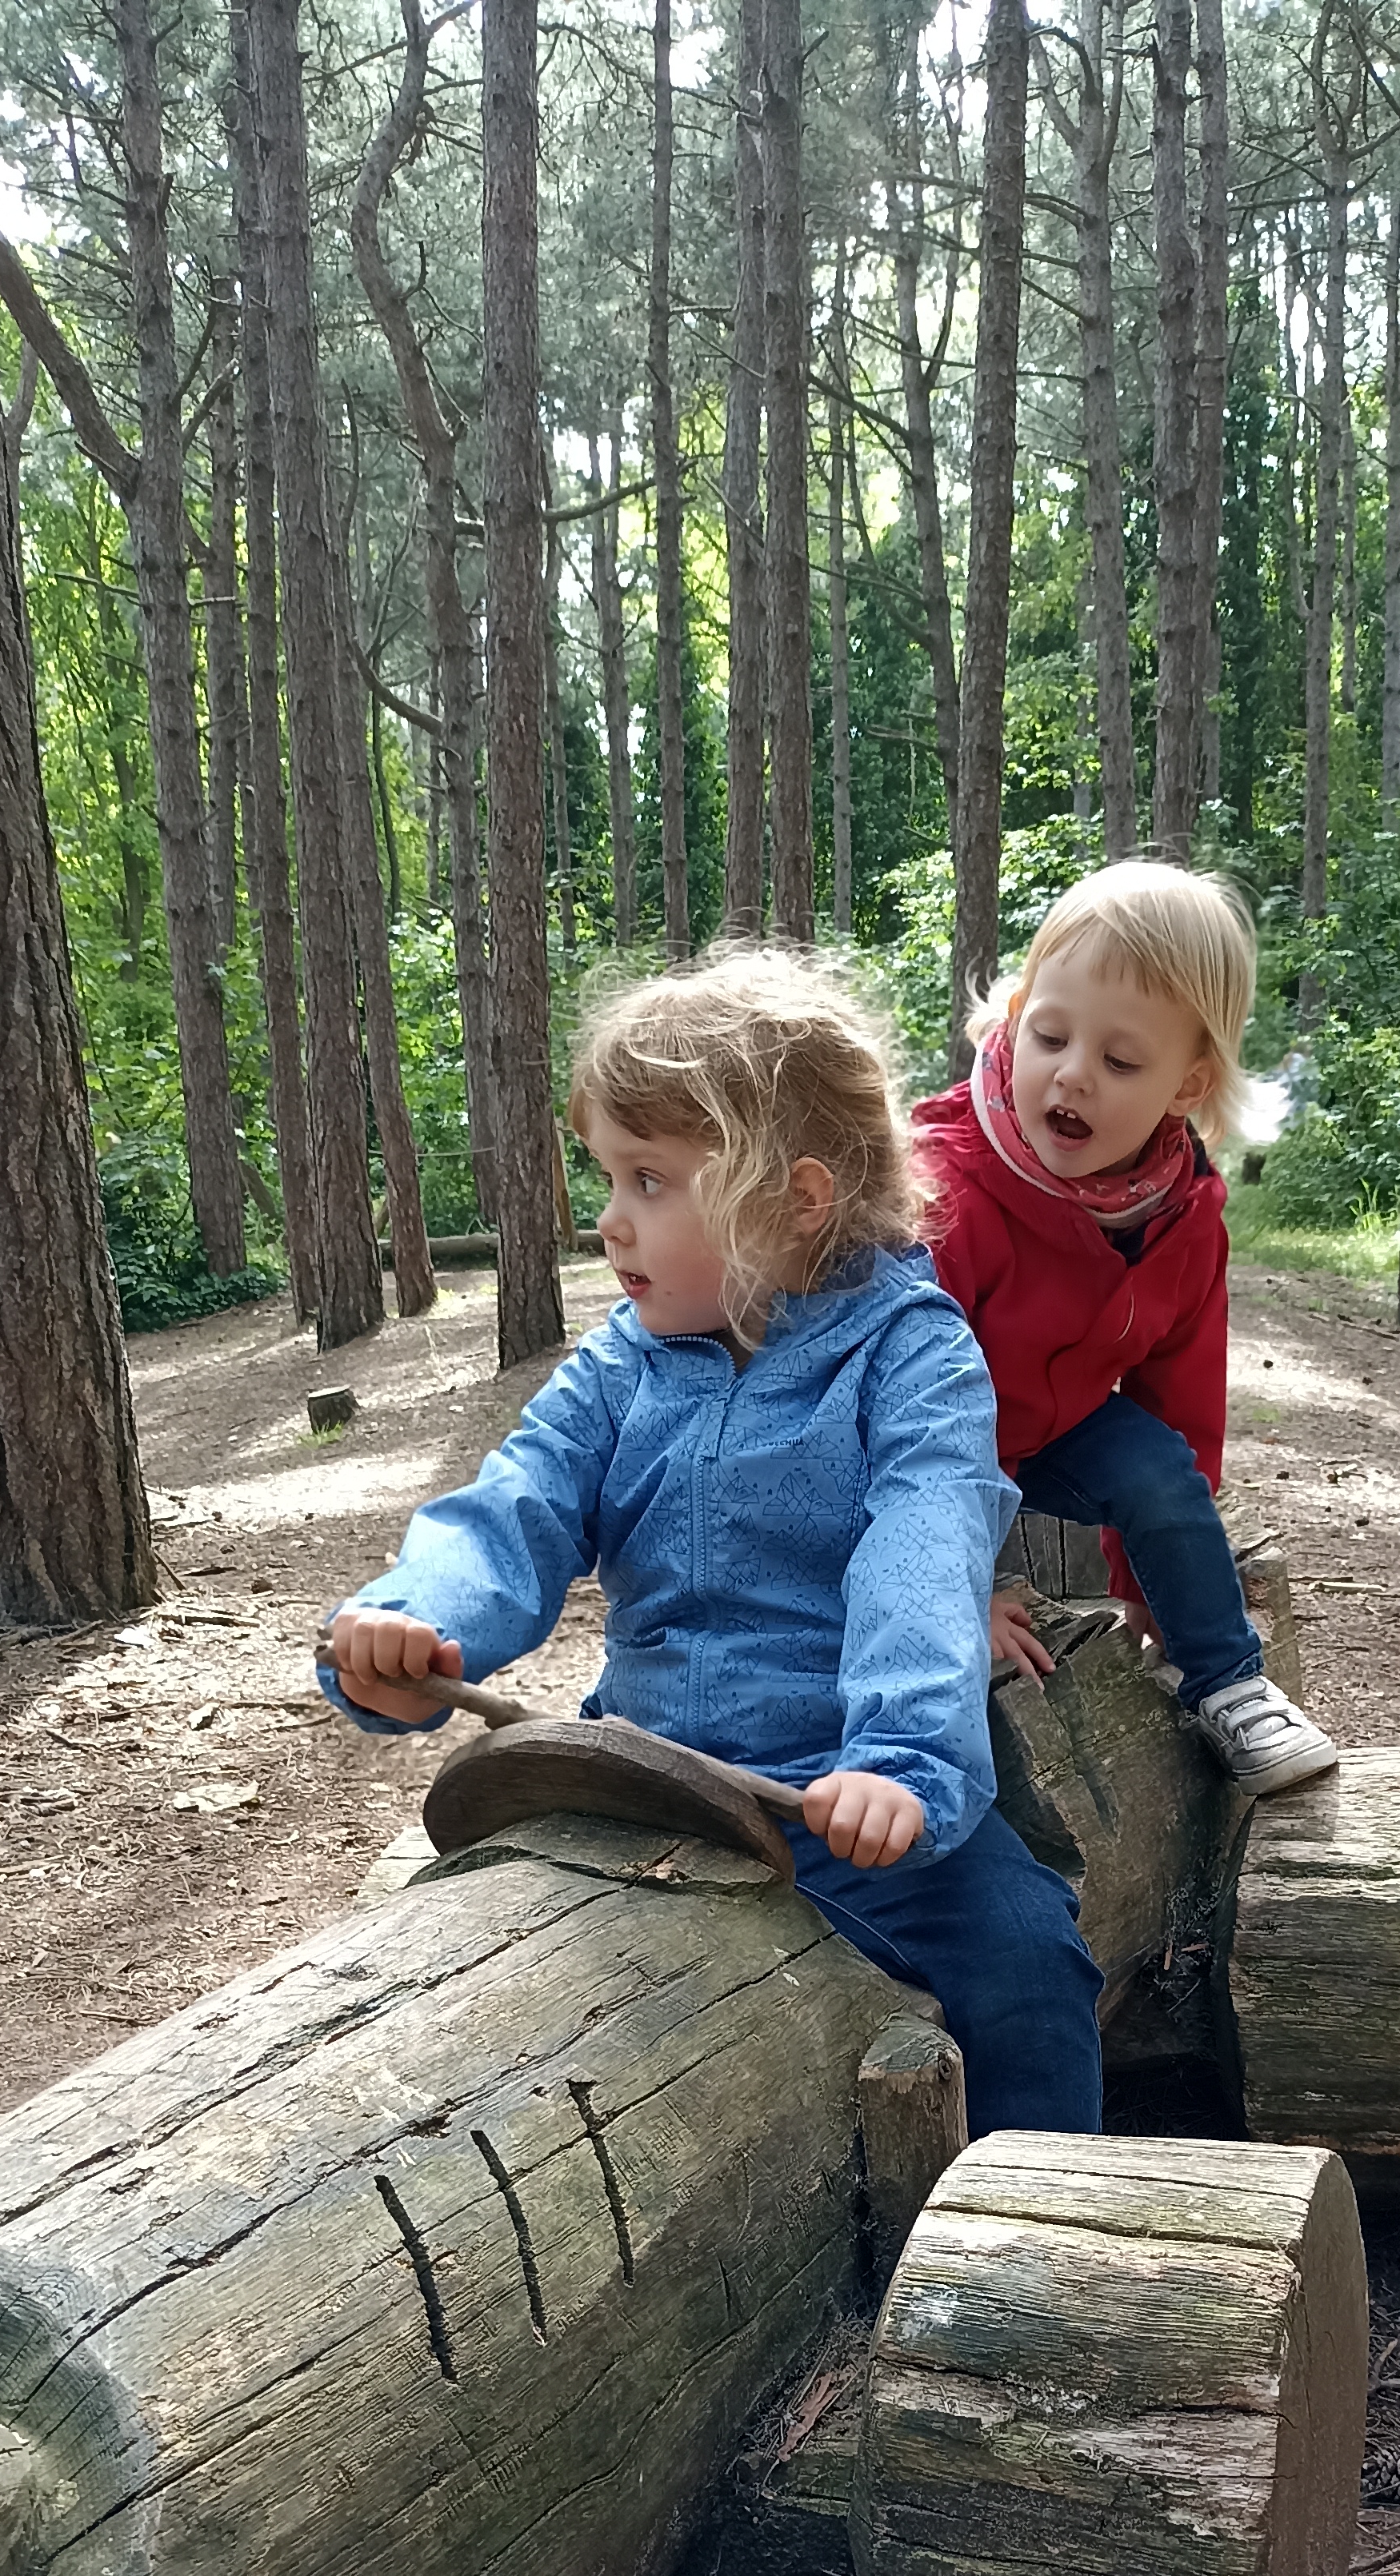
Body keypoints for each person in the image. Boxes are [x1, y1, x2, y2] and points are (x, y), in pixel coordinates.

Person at [318, 949, 1104, 2136]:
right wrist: (418, 1620)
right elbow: (515, 1505)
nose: (609, 1221)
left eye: (650, 1180)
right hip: (644, 1784)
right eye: (610, 1176)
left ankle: (1031, 2234)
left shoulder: (911, 1359)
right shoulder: (619, 1367)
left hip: (838, 1801)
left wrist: (899, 1763)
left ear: (797, 1200)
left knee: (1029, 1972)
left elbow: (925, 1553)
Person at [917, 859, 1339, 1799]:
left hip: (1051, 1427)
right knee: (938, 1491)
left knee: (1159, 1468)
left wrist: (1151, 1588)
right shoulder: (947, 1191)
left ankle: (1226, 1681)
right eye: (1050, 1035)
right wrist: (960, 1590)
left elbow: (1181, 1404)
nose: (1072, 1073)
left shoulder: (1179, 1216)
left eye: (1120, 1062)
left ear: (1187, 1085)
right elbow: (896, 1414)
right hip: (925, 1438)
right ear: (1015, 1016)